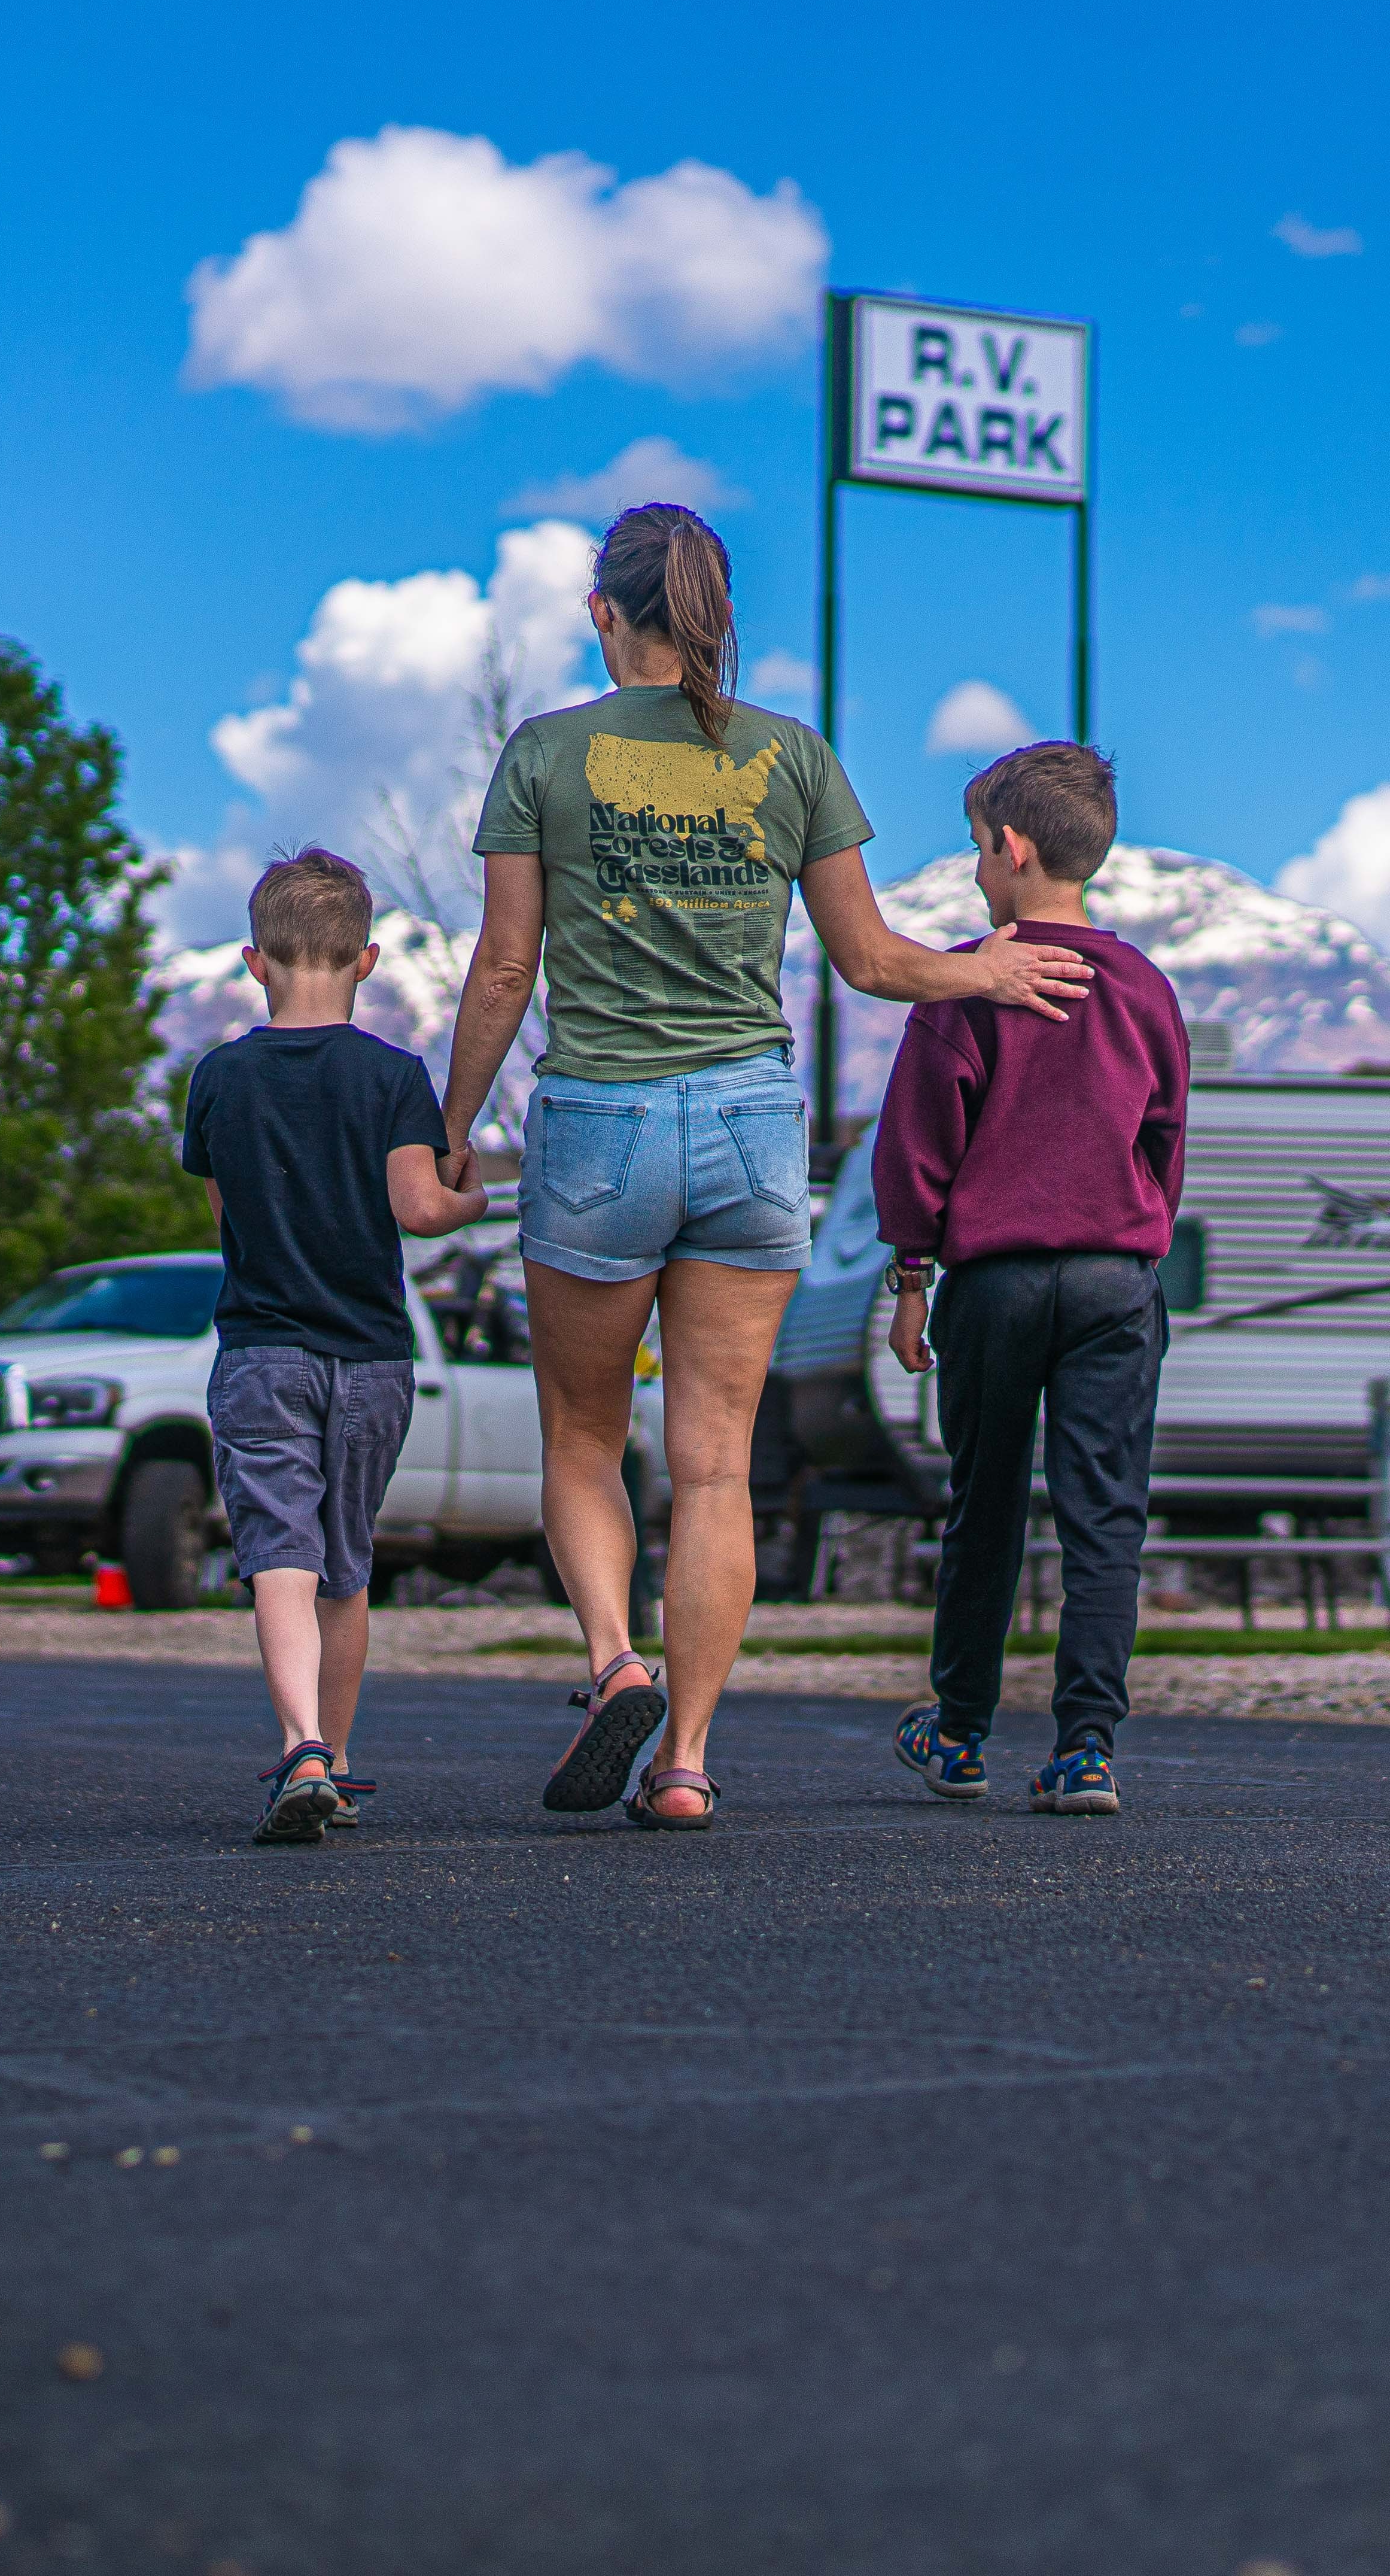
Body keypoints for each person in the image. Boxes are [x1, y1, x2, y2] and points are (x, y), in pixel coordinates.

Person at [438, 503, 1097, 1829]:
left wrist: (451, 1131)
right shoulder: (791, 756)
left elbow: (507, 965)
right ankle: (684, 1760)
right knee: (721, 1464)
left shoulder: (545, 755)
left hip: (600, 1123)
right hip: (750, 1125)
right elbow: (869, 961)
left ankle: (614, 1659)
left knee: (582, 1436)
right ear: (714, 614)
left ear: (603, 615)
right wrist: (987, 968)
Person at [869, 743, 1191, 1815]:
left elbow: (918, 1146)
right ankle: (1086, 1749)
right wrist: (1135, 1245)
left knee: (987, 1508)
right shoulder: (1145, 990)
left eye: (972, 851)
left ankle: (958, 1733)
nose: (971, 874)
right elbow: (1163, 1140)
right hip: (1114, 1281)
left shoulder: (965, 982)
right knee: (1106, 1517)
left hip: (997, 1285)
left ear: (1010, 850)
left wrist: (911, 1276)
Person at [182, 846, 488, 1843]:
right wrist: (466, 1199)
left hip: (262, 1351)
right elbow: (416, 1209)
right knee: (345, 1567)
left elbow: (227, 1214)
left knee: (279, 1550)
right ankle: (338, 1762)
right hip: (372, 1358)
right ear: (364, 961)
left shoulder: (217, 1078)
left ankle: (299, 1747)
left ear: (252, 961)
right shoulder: (396, 1078)